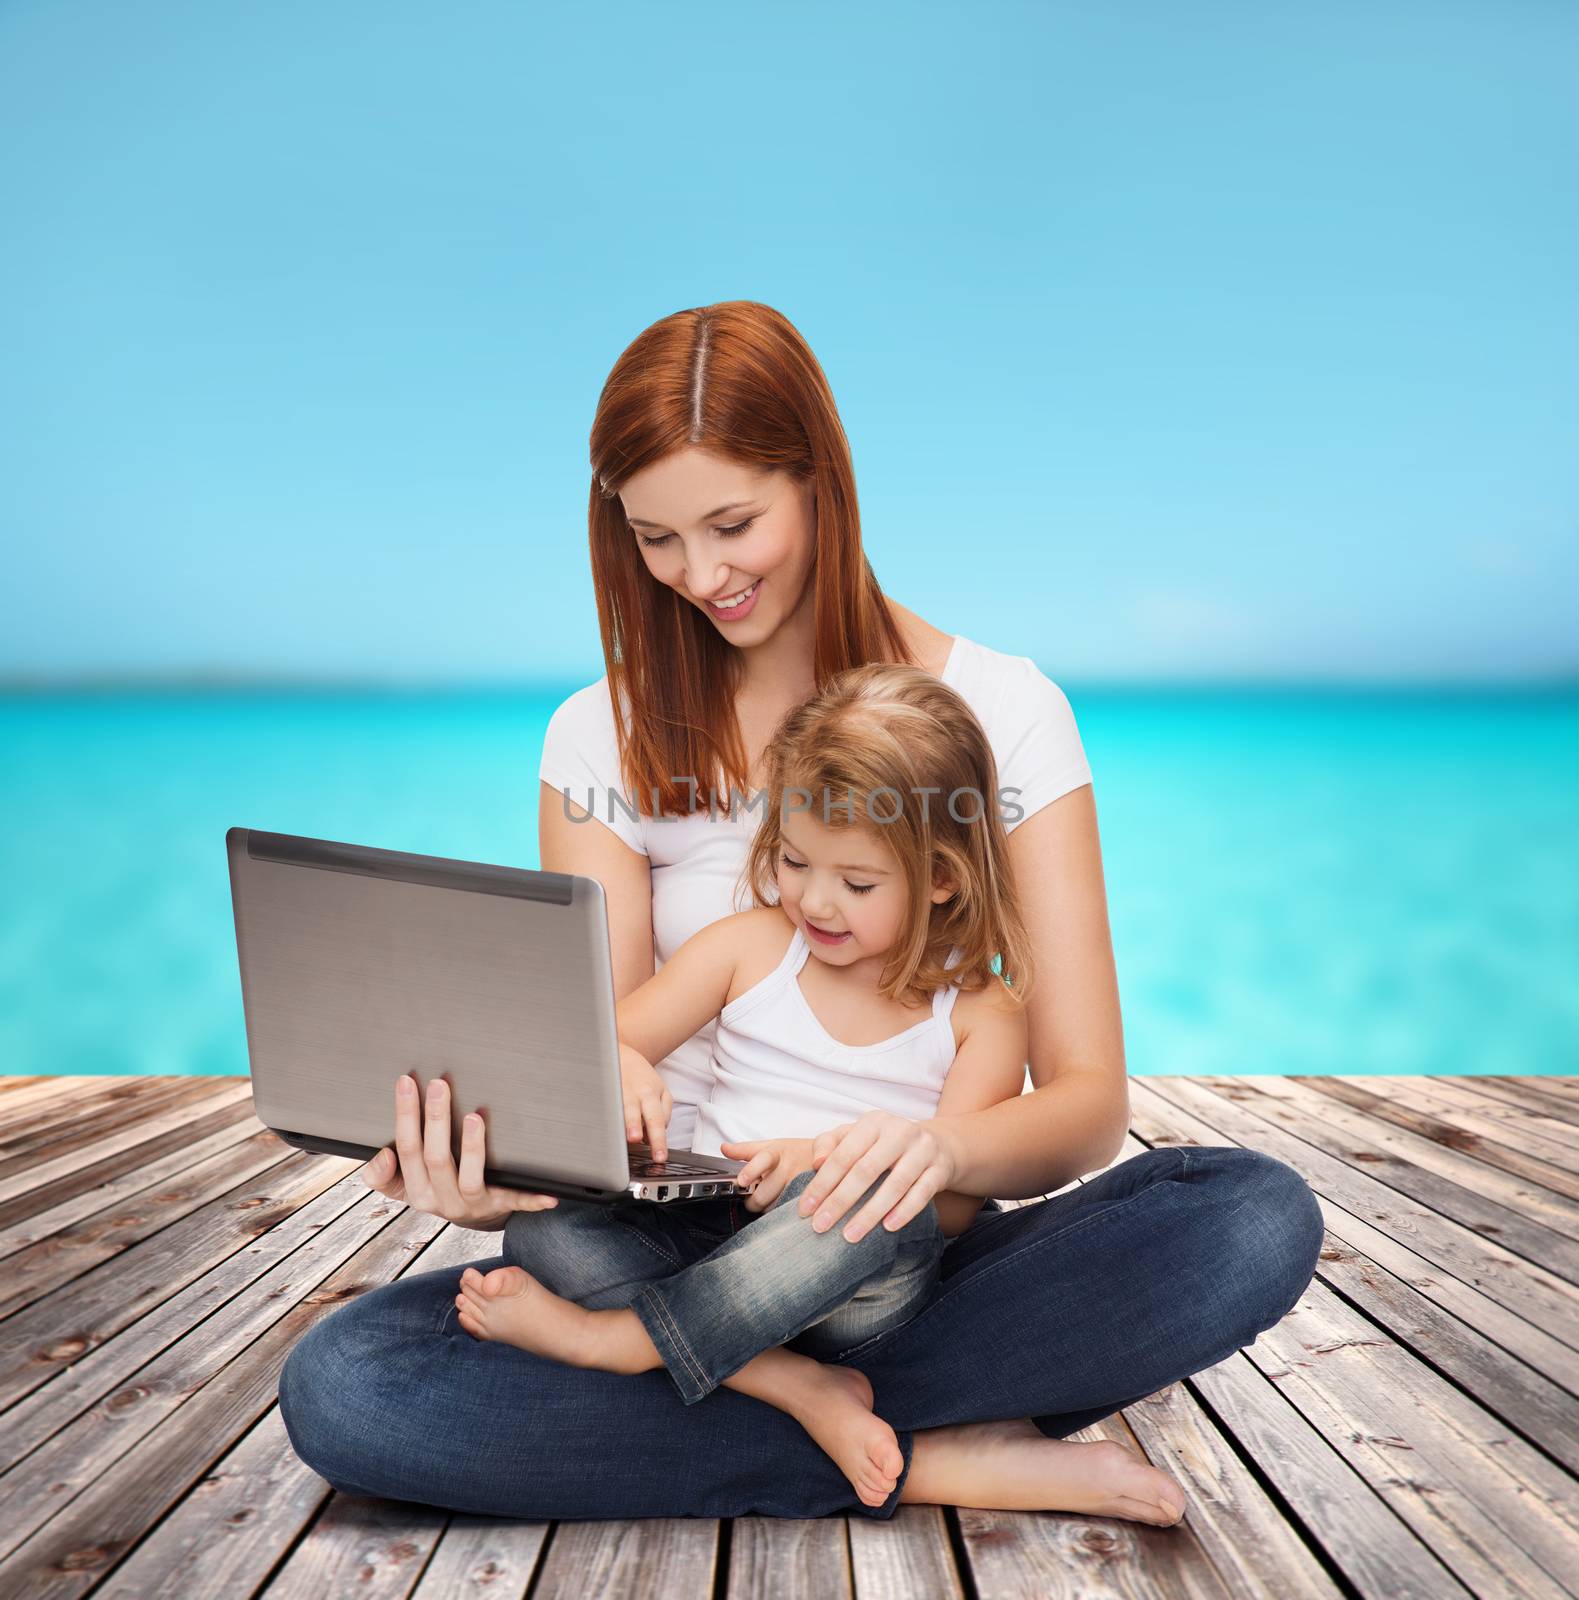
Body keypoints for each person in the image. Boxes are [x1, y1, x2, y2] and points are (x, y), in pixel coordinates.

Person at [276, 300, 1323, 1525]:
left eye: (732, 523)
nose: (701, 575)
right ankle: (919, 1446)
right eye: (655, 538)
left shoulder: (1006, 712)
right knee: (346, 1387)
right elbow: (603, 1062)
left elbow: (1086, 1107)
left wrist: (935, 1151)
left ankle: (724, 1392)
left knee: (1247, 1215)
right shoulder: (594, 736)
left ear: (821, 480)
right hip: (661, 1237)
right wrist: (491, 1163)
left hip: (893, 1242)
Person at [453, 662, 1130, 1513]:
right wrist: (619, 1066)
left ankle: (616, 1345)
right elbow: (606, 1040)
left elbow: (947, 1208)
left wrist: (823, 1164)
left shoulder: (980, 1013)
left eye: (856, 883)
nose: (814, 899)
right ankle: (792, 1387)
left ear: (944, 878)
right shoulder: (748, 946)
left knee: (867, 1208)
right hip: (711, 1235)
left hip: (855, 1280)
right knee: (546, 1238)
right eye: (795, 859)